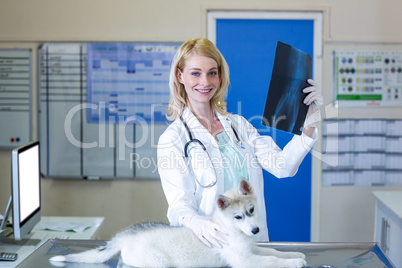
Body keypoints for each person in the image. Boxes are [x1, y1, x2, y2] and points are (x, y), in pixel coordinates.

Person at [157, 38, 323, 248]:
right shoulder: (173, 138)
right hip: (208, 246)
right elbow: (179, 206)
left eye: (212, 73)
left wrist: (308, 126)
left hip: (251, 244)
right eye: (195, 73)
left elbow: (283, 167)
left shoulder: (239, 126)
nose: (205, 82)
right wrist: (195, 222)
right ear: (180, 76)